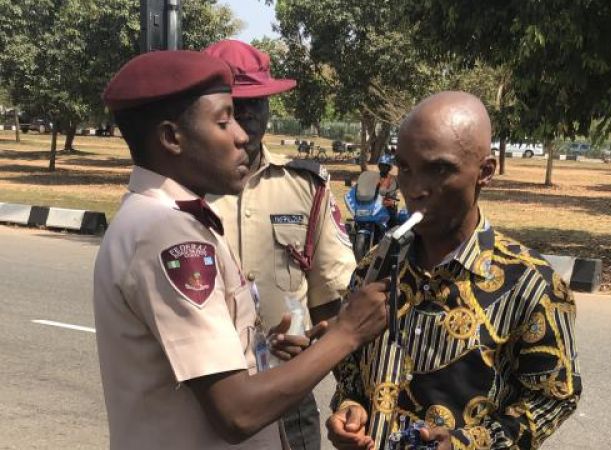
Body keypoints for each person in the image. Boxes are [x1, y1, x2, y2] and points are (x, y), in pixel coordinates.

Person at [93, 50, 389, 450]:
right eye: (224, 120)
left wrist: (264, 346)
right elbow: (236, 413)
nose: (242, 135)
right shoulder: (168, 233)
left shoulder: (163, 216)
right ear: (171, 138)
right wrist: (348, 335)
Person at [327, 91, 581, 450]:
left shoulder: (532, 284)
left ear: (485, 172)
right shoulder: (376, 267)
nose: (415, 189)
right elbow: (351, 372)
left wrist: (468, 443)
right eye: (407, 168)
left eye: (439, 169)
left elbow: (555, 397)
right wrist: (349, 410)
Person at [203, 39, 357, 450]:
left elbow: (332, 300)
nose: (250, 113)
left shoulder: (305, 186)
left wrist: (321, 353)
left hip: (287, 399)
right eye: (237, 102)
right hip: (203, 398)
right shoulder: (182, 192)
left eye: (260, 101)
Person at [377, 153, 399, 227]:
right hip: (373, 204)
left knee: (393, 220)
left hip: (388, 204)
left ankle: (392, 232)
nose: (383, 168)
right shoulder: (374, 177)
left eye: (385, 166)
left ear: (389, 168)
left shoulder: (392, 179)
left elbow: (395, 188)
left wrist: (392, 194)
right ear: (379, 166)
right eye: (381, 165)